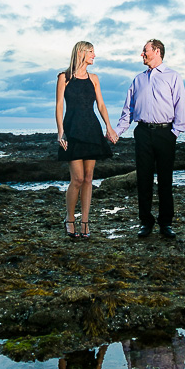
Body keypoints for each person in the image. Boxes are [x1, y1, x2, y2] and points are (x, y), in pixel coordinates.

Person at [112, 39, 185, 238]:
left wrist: (175, 133)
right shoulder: (137, 80)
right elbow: (127, 110)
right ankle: (146, 222)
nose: (141, 54)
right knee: (143, 180)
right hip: (143, 132)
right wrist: (117, 132)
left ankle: (165, 224)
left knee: (165, 181)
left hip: (165, 133)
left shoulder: (173, 77)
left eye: (144, 50)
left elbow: (180, 105)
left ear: (157, 51)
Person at [56, 41, 118, 239]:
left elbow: (100, 104)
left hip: (91, 129)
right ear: (81, 52)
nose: (94, 55)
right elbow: (59, 106)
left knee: (89, 178)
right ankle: (69, 219)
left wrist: (109, 126)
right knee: (77, 179)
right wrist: (60, 132)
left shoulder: (94, 78)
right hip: (72, 130)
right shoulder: (64, 77)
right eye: (91, 51)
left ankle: (85, 221)